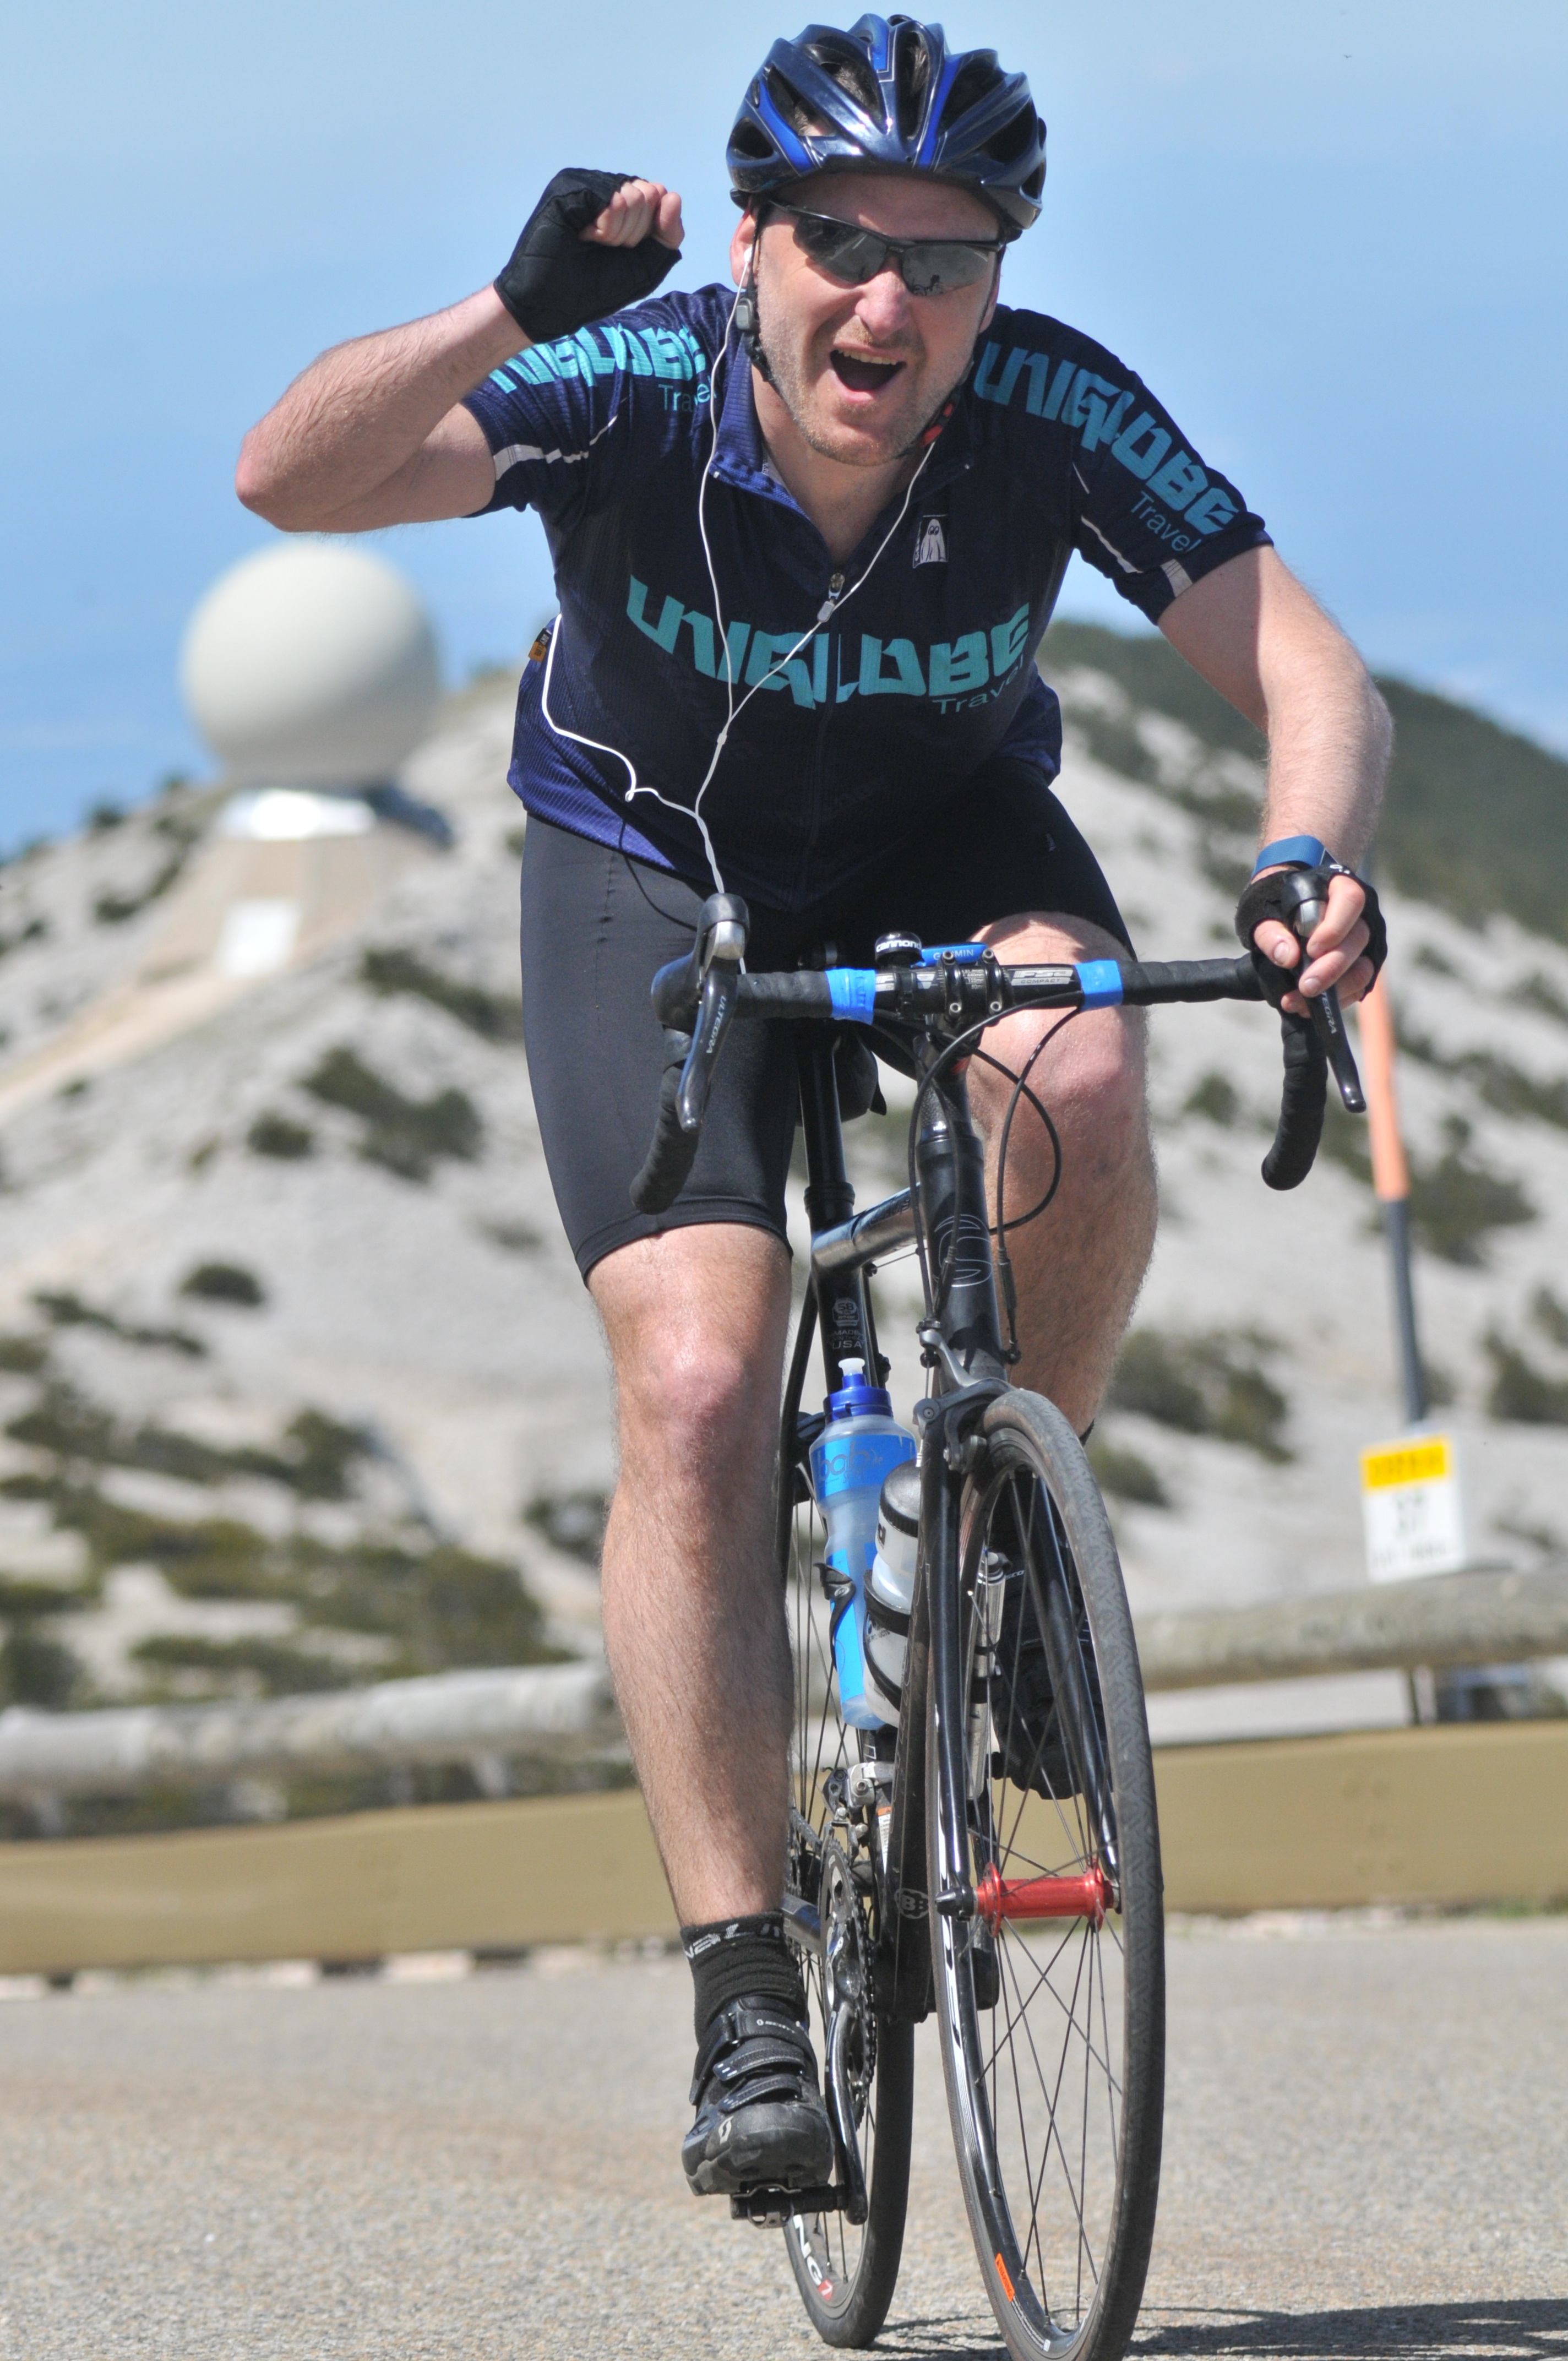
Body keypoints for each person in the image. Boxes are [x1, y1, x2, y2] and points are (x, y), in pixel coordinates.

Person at [237, 14, 1390, 2203]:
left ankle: (1005, 1565)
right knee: (691, 1388)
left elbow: (1300, 663)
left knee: (1082, 1058)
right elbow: (289, 482)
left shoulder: (1050, 409)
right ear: (752, 244)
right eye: (842, 246)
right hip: (648, 866)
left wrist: (1305, 857)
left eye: (944, 265)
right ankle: (743, 1982)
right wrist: (509, 311)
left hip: (947, 841)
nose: (888, 305)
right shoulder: (634, 385)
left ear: (1000, 282)